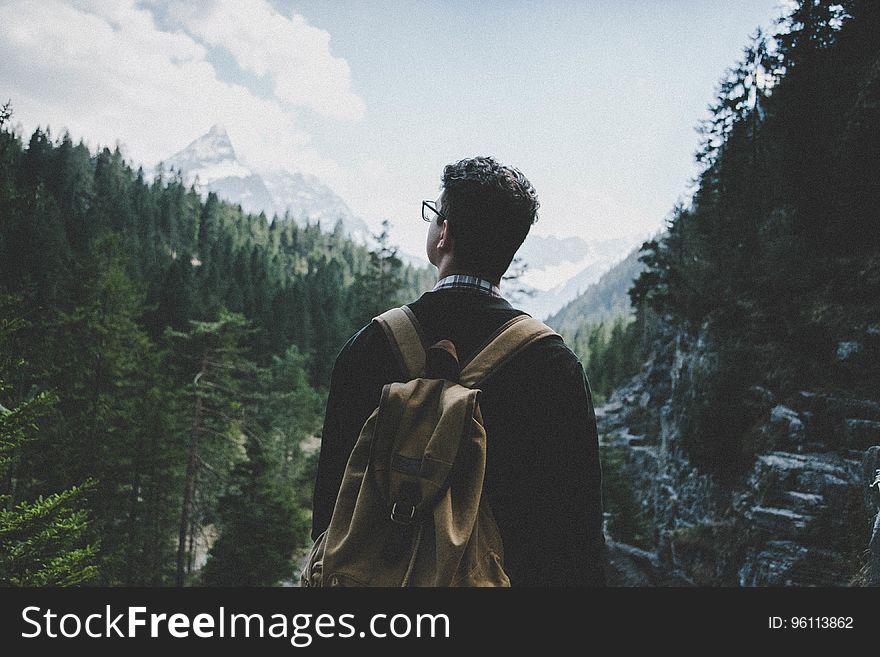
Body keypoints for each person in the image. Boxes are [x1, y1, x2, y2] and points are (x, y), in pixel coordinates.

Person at [310, 156, 607, 586]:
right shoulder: (553, 367)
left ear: (443, 233)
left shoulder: (370, 347)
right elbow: (576, 535)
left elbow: (328, 508)